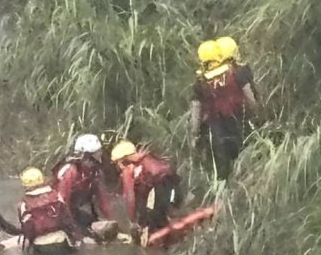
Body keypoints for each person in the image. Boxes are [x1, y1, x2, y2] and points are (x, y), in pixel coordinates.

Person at [190, 36, 260, 180]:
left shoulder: (202, 81)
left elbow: (196, 110)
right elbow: (250, 98)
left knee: (221, 171)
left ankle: (222, 195)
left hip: (216, 128)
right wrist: (256, 114)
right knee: (248, 158)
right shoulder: (236, 72)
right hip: (239, 121)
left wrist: (194, 134)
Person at [110, 139, 181, 235]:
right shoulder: (149, 159)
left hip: (161, 184)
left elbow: (130, 196)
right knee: (164, 214)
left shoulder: (130, 169)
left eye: (117, 163)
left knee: (156, 219)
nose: (118, 167)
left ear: (123, 160)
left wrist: (132, 221)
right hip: (172, 183)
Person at [16, 167, 89, 251]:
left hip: (40, 245)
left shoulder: (24, 204)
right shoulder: (56, 196)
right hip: (61, 241)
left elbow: (27, 230)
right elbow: (68, 219)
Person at [52, 133, 113, 231]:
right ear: (86, 156)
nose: (100, 155)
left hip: (78, 206)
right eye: (96, 153)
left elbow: (103, 200)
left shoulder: (95, 172)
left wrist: (111, 222)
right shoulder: (71, 172)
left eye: (99, 152)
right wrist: (73, 231)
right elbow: (62, 203)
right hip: (62, 211)